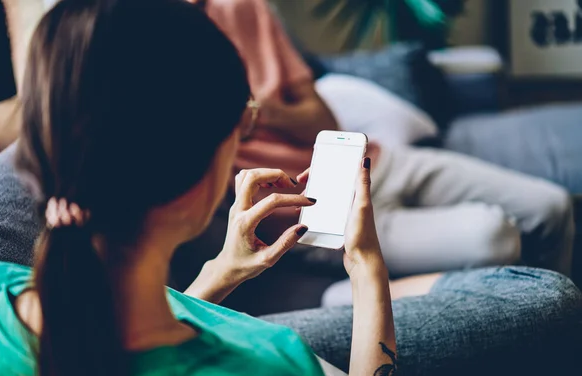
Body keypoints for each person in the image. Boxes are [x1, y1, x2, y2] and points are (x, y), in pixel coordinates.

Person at [0, 1, 582, 376]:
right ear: (209, 182)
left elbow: (120, 343)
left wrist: (217, 276)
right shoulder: (273, 370)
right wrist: (367, 270)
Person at [188, 0, 574, 279]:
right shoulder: (145, 48)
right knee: (494, 235)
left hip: (371, 163)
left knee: (551, 206)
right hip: (313, 216)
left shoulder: (241, 8)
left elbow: (322, 118)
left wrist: (261, 113)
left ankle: (555, 331)